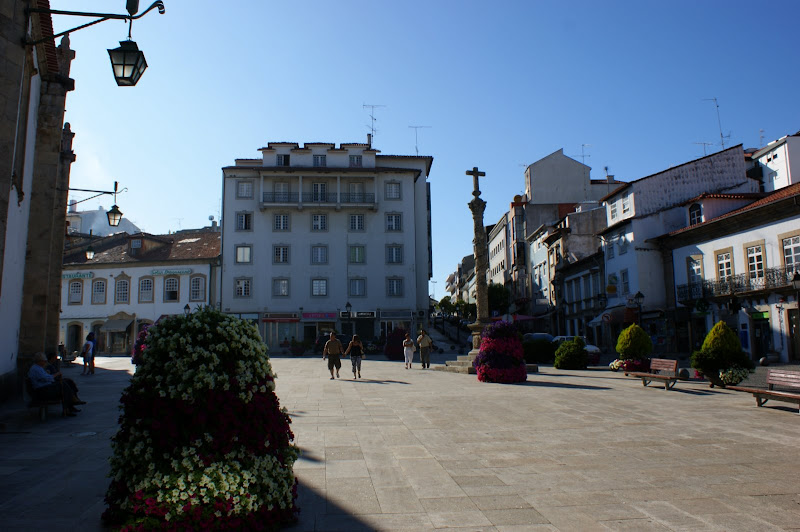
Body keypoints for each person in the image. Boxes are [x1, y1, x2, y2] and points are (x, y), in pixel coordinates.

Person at [28, 352, 79, 416]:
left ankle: (74, 401)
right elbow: (46, 378)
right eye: (44, 361)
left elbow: (45, 377)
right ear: (40, 361)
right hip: (43, 390)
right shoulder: (36, 369)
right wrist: (55, 375)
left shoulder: (38, 368)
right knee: (63, 385)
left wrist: (50, 374)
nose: (45, 363)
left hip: (45, 387)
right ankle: (68, 408)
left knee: (68, 381)